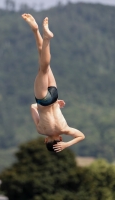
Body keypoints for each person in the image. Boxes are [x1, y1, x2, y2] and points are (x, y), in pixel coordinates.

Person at [22, 14, 85, 153]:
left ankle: (36, 30)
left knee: (44, 63)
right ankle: (46, 37)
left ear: (61, 139)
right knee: (43, 67)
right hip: (43, 99)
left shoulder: (65, 129)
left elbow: (81, 136)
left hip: (54, 96)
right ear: (46, 140)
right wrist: (39, 107)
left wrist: (67, 145)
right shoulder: (41, 130)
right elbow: (33, 107)